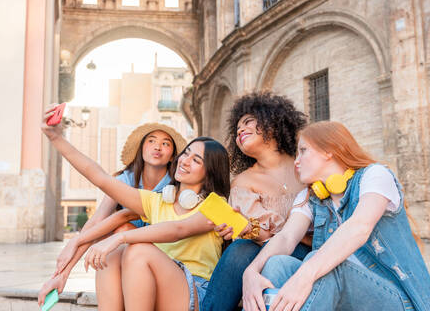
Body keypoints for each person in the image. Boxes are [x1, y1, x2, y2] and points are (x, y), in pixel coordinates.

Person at [40, 105, 230, 310]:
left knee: (137, 250)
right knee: (113, 254)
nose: (185, 161)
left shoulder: (217, 205)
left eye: (196, 160)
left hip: (194, 292)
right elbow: (101, 178)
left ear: (210, 172)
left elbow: (178, 230)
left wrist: (118, 238)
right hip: (155, 285)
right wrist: (55, 138)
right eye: (187, 153)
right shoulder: (157, 201)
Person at [242, 121, 430, 311]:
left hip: (399, 301)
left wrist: (306, 274)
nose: (296, 161)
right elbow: (286, 237)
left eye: (303, 150)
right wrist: (251, 272)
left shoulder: (374, 175)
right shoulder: (310, 197)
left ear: (329, 151)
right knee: (277, 264)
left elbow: (360, 227)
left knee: (323, 263)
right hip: (343, 298)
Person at [38, 122, 186, 310]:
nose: (158, 147)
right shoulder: (124, 179)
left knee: (120, 231)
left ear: (172, 155)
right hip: (124, 253)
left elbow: (122, 219)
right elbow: (98, 222)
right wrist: (62, 274)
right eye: (151, 141)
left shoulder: (176, 186)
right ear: (141, 148)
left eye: (166, 143)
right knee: (109, 240)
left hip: (162, 256)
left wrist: (75, 242)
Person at [201, 92, 311, 311]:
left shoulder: (307, 161)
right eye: (237, 129)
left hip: (318, 250)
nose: (240, 130)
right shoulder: (243, 181)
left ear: (273, 121)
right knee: (242, 248)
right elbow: (264, 237)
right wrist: (246, 226)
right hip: (277, 250)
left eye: (248, 122)